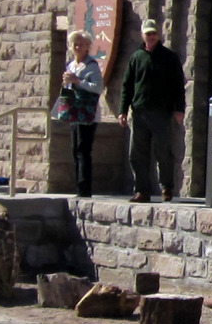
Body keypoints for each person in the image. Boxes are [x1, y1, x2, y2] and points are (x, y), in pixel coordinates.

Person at [120, 19, 186, 202]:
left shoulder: (169, 57)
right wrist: (123, 110)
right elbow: (127, 86)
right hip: (139, 112)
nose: (151, 36)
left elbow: (178, 86)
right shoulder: (136, 58)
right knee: (137, 154)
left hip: (162, 112)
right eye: (148, 33)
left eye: (153, 33)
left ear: (158, 35)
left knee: (163, 151)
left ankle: (167, 186)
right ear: (142, 35)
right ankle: (142, 190)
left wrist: (179, 109)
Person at [54, 32, 104, 196]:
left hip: (88, 114)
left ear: (87, 46)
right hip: (74, 112)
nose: (78, 47)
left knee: (84, 150)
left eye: (81, 44)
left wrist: (77, 81)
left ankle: (85, 189)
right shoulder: (71, 65)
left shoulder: (91, 66)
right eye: (75, 44)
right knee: (75, 150)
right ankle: (78, 186)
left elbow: (98, 87)